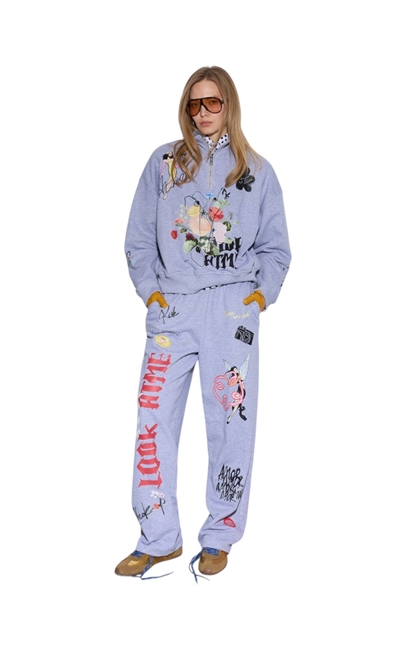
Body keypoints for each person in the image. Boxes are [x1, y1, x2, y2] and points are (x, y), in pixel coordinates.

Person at [115, 65, 291, 580]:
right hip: (173, 307)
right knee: (153, 418)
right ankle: (158, 536)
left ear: (228, 104)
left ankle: (220, 533)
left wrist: (259, 297)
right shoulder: (164, 163)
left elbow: (276, 247)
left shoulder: (256, 169)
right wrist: (151, 293)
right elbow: (138, 237)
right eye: (194, 103)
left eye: (212, 102)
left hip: (232, 310)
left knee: (231, 422)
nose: (203, 112)